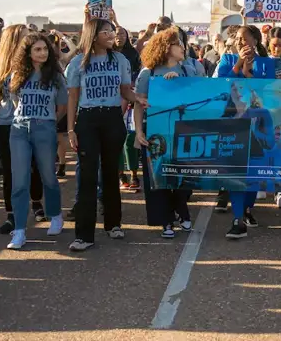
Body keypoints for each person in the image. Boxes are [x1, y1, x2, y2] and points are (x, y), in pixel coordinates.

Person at [0, 33, 67, 249]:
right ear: (28, 52)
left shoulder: (56, 76)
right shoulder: (16, 75)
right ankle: (19, 230)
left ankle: (56, 214)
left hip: (45, 128)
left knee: (48, 175)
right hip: (19, 129)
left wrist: (47, 121)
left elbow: (62, 107)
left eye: (45, 49)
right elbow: (6, 99)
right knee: (19, 180)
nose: (42, 53)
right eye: (37, 49)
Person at [66, 19, 137, 251]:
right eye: (105, 32)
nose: (110, 35)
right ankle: (84, 235)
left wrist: (141, 99)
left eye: (111, 31)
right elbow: (73, 98)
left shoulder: (120, 60)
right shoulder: (77, 63)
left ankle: (113, 223)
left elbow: (125, 91)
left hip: (112, 119)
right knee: (87, 176)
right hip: (87, 119)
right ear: (93, 35)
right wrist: (71, 129)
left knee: (110, 173)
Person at [0, 24, 48, 234]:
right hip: (7, 124)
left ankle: (37, 202)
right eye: (24, 37)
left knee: (36, 166)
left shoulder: (35, 64)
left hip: (34, 122)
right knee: (10, 171)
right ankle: (12, 215)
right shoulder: (0, 67)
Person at [214, 25, 276, 239]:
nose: (240, 42)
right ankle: (237, 218)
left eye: (244, 39)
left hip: (258, 123)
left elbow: (265, 90)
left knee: (253, 173)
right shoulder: (228, 60)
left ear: (256, 41)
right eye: (237, 39)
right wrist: (240, 63)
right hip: (234, 124)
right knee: (236, 172)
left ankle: (248, 208)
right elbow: (222, 84)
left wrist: (249, 72)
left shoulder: (267, 63)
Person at [134, 28, 194, 238]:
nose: (183, 47)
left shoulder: (188, 71)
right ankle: (166, 220)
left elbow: (194, 97)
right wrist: (139, 131)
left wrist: (178, 84)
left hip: (182, 132)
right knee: (158, 177)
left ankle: (182, 211)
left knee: (182, 176)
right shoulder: (148, 73)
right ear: (168, 48)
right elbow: (139, 104)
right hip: (156, 133)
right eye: (178, 44)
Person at [114, 26, 142, 191]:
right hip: (112, 102)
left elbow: (137, 75)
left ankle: (133, 174)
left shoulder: (133, 55)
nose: (118, 37)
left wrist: (132, 93)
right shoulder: (106, 54)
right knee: (116, 141)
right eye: (116, 34)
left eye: (122, 34)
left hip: (131, 100)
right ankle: (120, 175)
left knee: (129, 141)